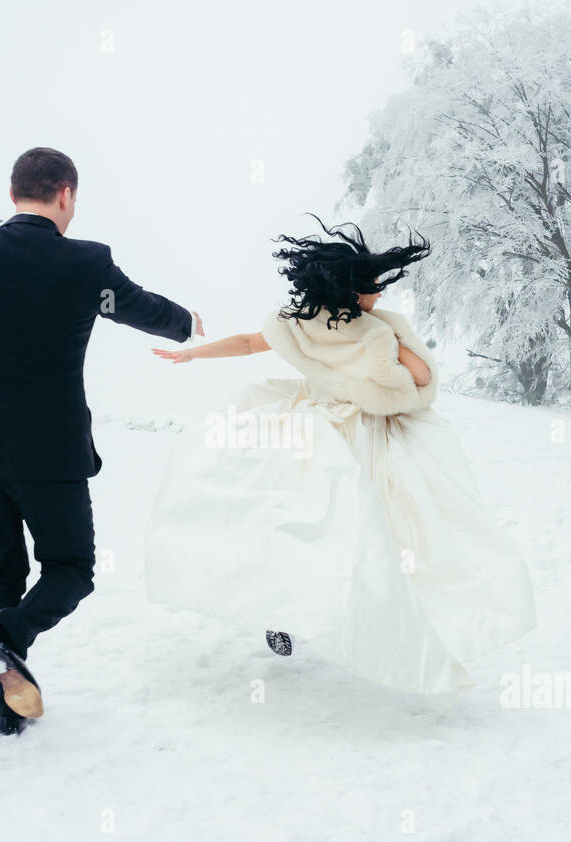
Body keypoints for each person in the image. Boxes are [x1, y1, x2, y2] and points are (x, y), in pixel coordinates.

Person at [0, 147, 202, 734]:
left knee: (0, 570)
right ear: (66, 195)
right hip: (51, 453)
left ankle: (9, 705)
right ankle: (11, 637)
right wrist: (185, 322)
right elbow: (143, 310)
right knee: (72, 569)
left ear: (14, 193)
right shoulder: (87, 264)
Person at [146, 218, 535, 694]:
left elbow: (250, 342)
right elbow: (417, 377)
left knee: (290, 521)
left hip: (306, 425)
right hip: (358, 431)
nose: (378, 297)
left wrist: (193, 355)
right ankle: (351, 612)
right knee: (372, 530)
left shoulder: (298, 322)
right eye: (372, 289)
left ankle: (287, 607)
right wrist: (393, 341)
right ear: (353, 292)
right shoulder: (375, 333)